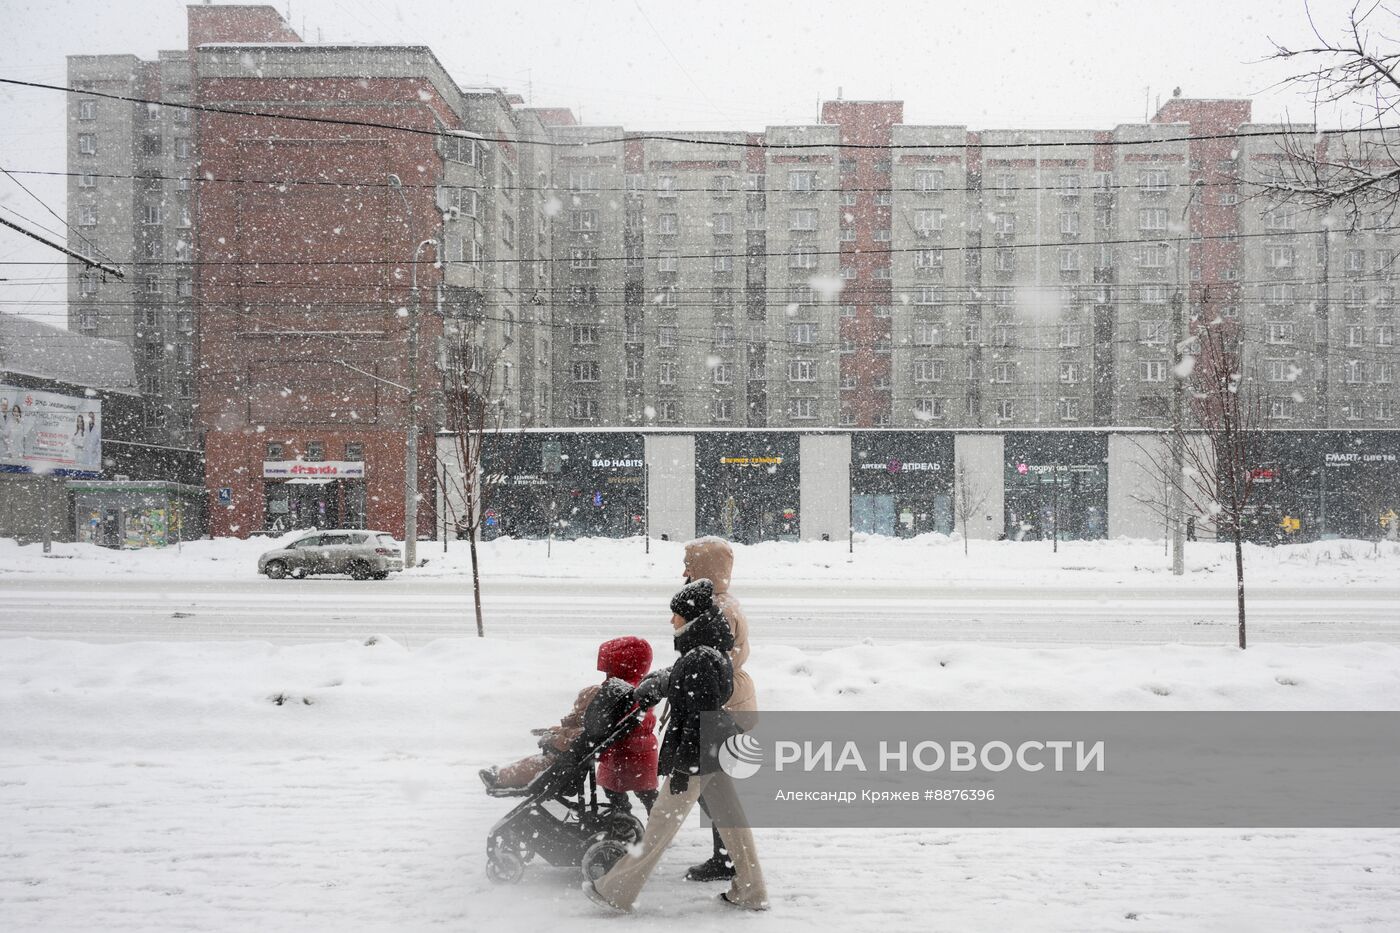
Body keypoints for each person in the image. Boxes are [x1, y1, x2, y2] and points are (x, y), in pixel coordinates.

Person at [586, 579, 768, 913]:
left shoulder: (700, 658)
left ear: (694, 617)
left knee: (660, 825)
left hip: (699, 756)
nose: (672, 621)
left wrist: (685, 769)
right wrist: (665, 682)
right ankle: (751, 890)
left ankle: (616, 890)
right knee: (732, 822)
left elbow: (700, 718)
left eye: (677, 616)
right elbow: (694, 683)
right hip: (715, 753)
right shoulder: (710, 649)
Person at [480, 637, 659, 813]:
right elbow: (586, 732)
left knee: (540, 765)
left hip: (626, 754)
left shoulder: (617, 698)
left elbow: (579, 737)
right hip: (630, 752)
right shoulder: (628, 693)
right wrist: (558, 733)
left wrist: (555, 738)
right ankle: (629, 818)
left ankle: (502, 777)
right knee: (635, 792)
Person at [677, 536, 757, 882]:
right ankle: (728, 857)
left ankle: (728, 859)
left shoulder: (718, 610)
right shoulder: (720, 603)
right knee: (712, 786)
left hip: (721, 706)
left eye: (689, 565)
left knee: (710, 786)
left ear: (706, 569)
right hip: (728, 702)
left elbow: (708, 668)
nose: (684, 571)